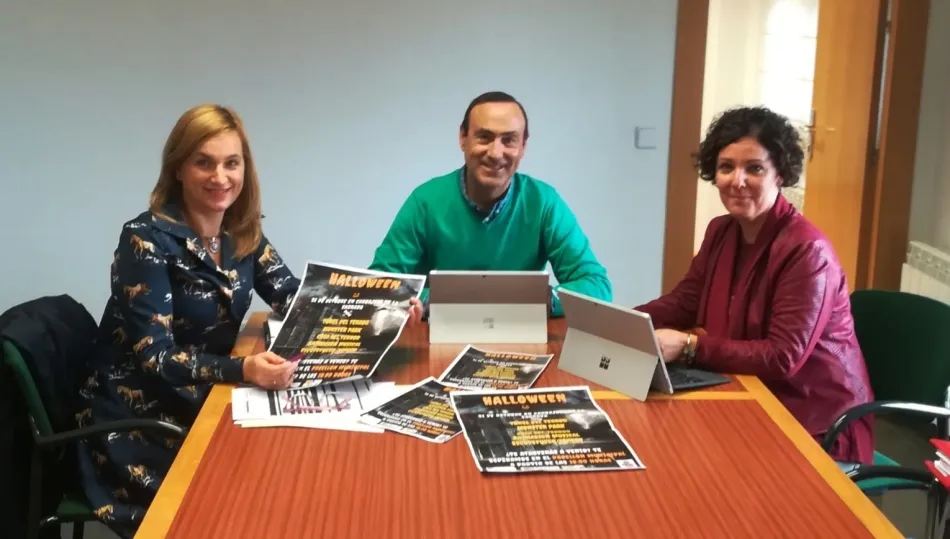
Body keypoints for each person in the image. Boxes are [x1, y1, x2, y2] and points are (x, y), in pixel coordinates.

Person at [75, 104, 303, 537]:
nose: (220, 177)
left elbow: (291, 294)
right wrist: (244, 369)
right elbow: (155, 358)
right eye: (204, 162)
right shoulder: (145, 239)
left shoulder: (241, 231)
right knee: (243, 504)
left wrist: (378, 307)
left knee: (281, 474)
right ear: (178, 168)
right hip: (141, 421)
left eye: (231, 163)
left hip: (203, 402)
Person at [634, 106, 875, 465]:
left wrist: (689, 346)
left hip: (816, 424)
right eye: (726, 166)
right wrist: (623, 321)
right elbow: (687, 300)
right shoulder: (721, 230)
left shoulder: (808, 250)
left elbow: (782, 357)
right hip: (749, 394)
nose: (737, 180)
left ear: (780, 174)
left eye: (755, 168)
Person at [368, 91, 612, 317]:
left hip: (522, 339)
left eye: (509, 140)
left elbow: (596, 285)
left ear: (523, 147)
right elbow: (380, 286)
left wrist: (540, 299)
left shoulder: (544, 202)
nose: (496, 153)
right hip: (437, 341)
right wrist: (436, 302)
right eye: (484, 137)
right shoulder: (425, 202)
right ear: (462, 138)